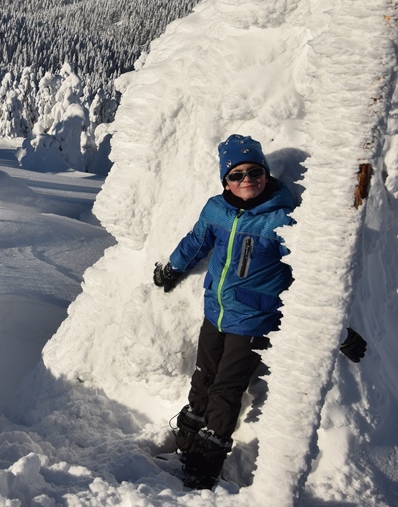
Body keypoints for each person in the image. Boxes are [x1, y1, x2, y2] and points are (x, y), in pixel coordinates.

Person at [152, 134, 367, 489]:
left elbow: (313, 276)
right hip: (216, 312)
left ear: (266, 173)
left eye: (254, 171)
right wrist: (173, 268)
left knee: (225, 389)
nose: (247, 179)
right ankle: (186, 448)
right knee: (203, 377)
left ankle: (204, 467)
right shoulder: (215, 210)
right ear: (226, 181)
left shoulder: (281, 220)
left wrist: (338, 331)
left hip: (254, 320)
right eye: (236, 175)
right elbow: (196, 241)